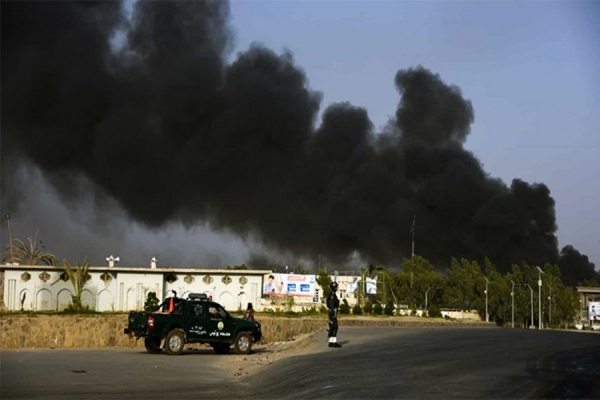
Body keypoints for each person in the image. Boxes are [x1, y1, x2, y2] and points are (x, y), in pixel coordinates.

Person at [326, 281, 342, 348]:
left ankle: (331, 342)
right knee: (334, 327)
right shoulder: (332, 295)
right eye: (336, 287)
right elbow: (332, 304)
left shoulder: (332, 294)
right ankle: (334, 342)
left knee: (332, 327)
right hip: (333, 312)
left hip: (332, 312)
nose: (337, 288)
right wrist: (333, 313)